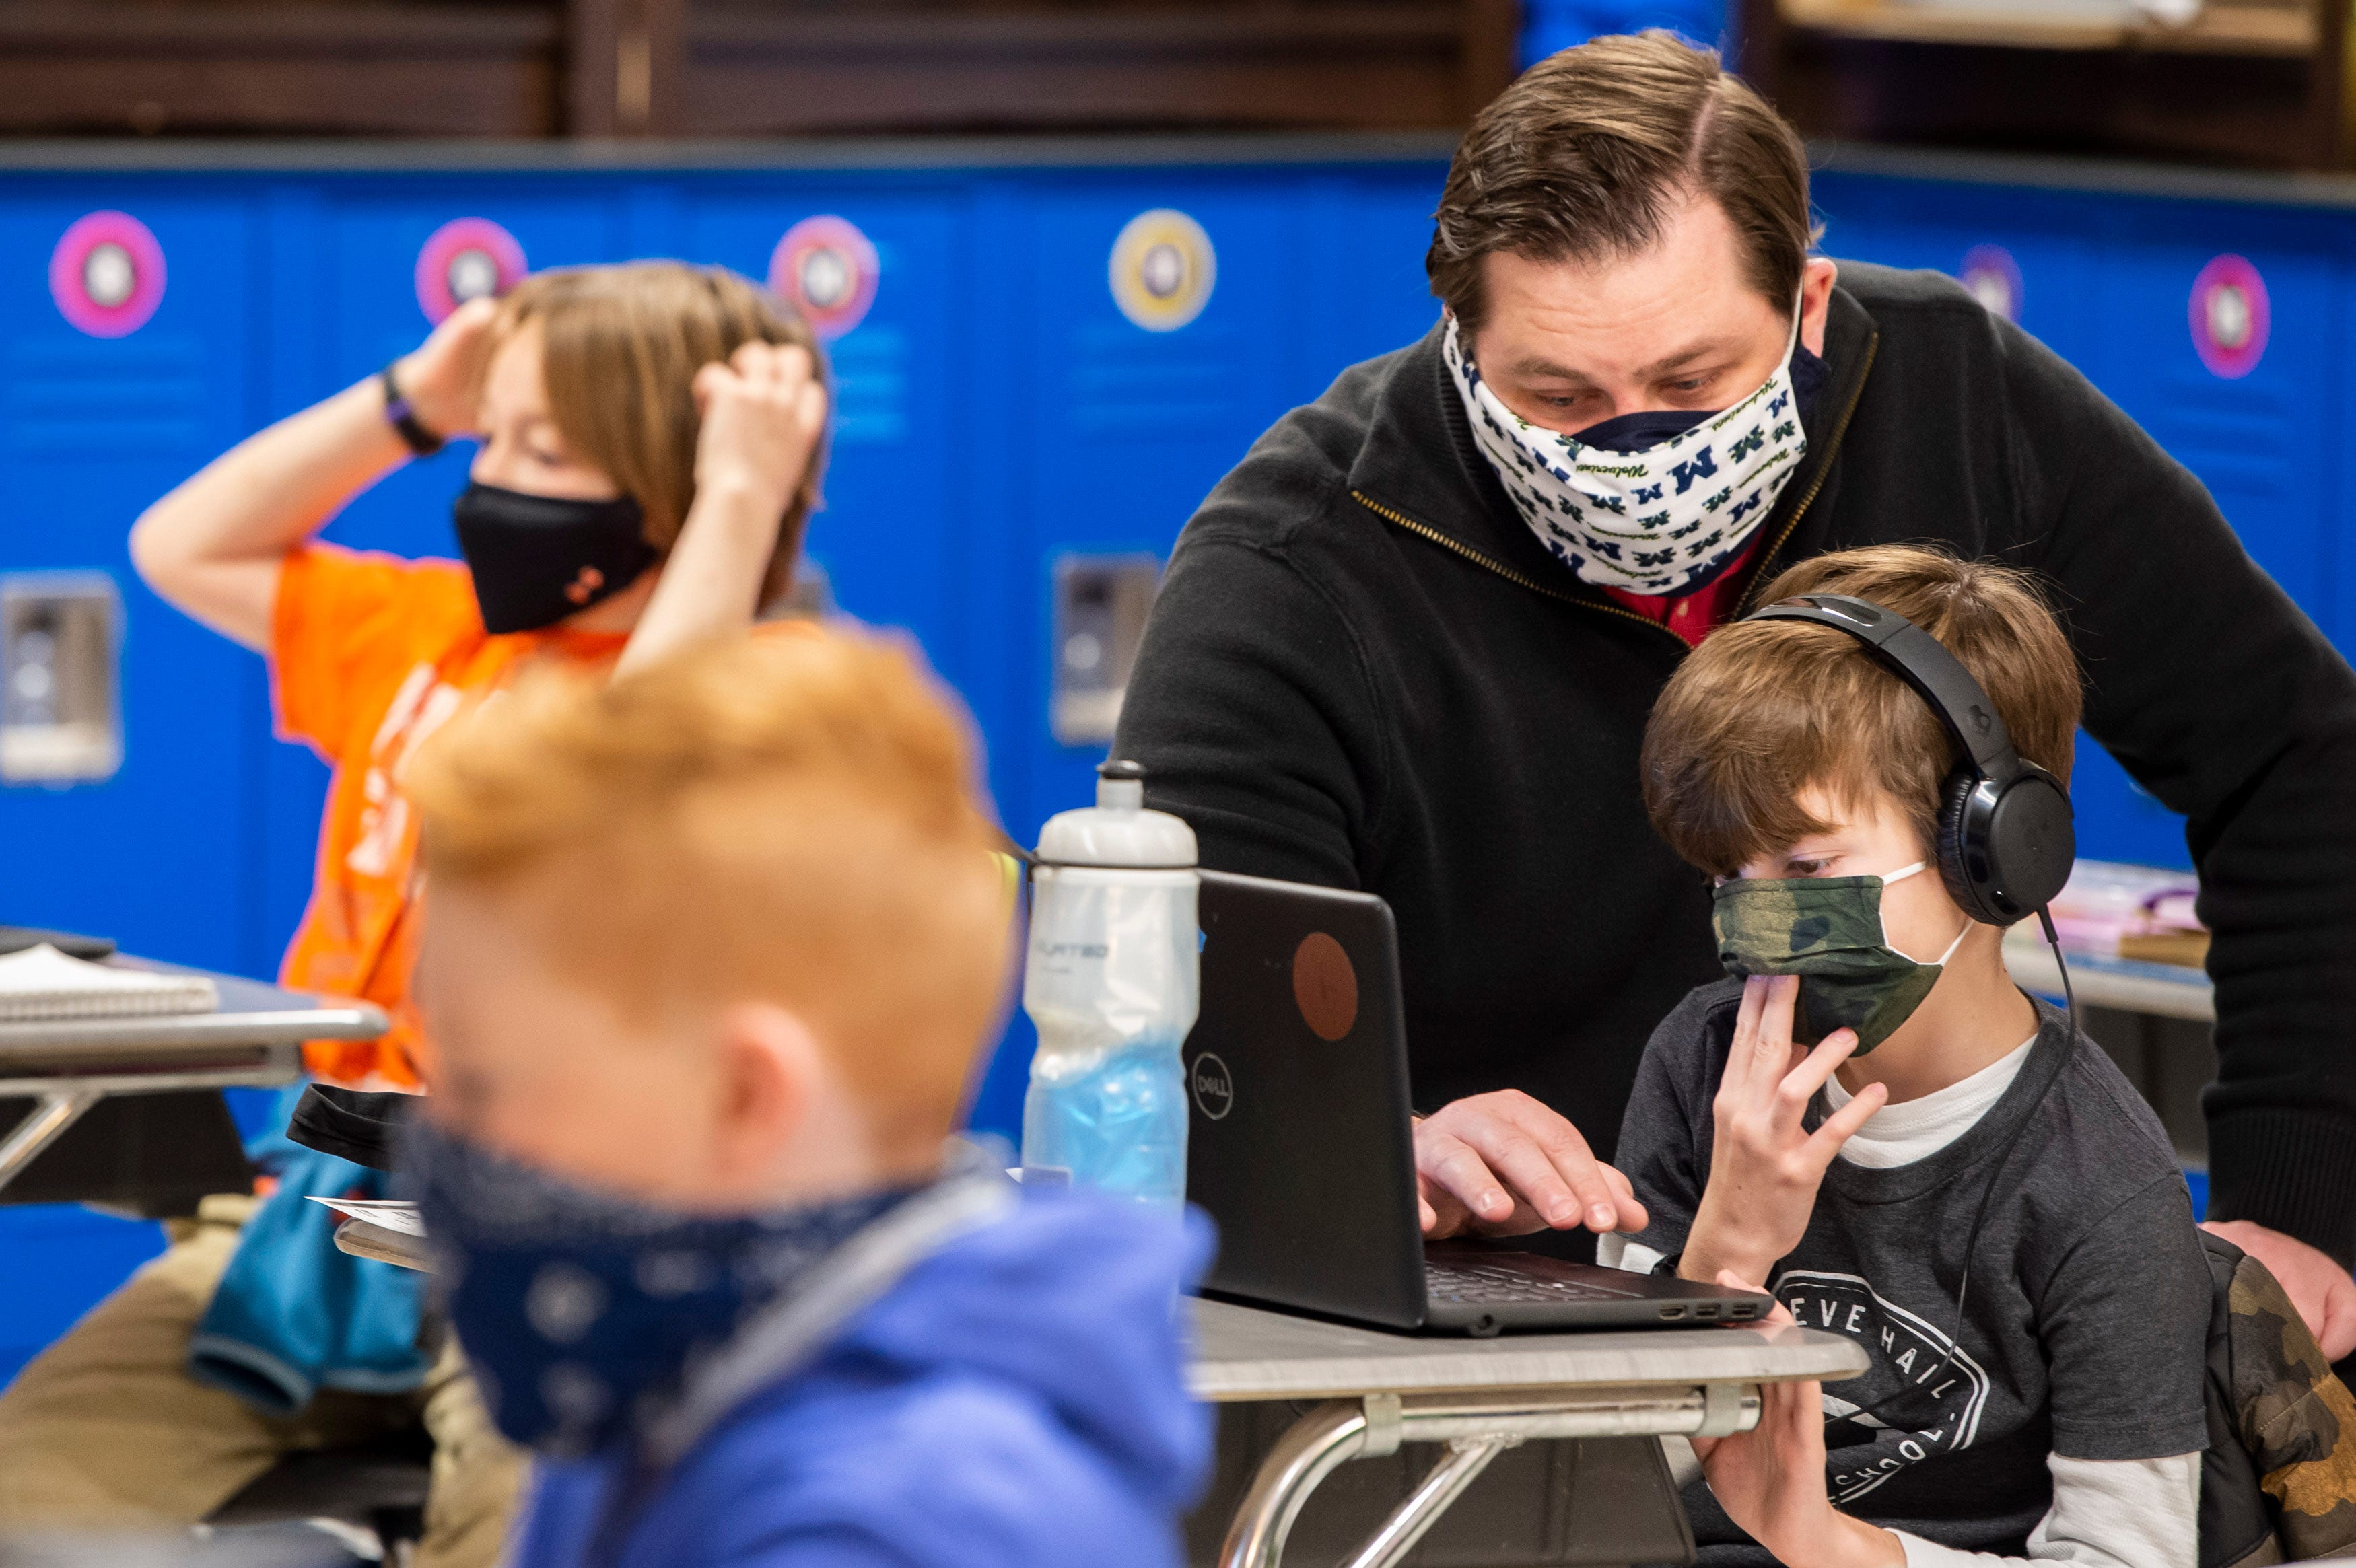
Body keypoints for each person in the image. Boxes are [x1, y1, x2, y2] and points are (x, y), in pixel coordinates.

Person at [1113, 30, 2356, 1356]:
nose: (1631, 443)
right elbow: (1185, 1045)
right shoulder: (1293, 574)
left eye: (1689, 383)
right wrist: (1384, 1156)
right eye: (1559, 395)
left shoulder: (1950, 399)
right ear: (1460, 344)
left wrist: (2301, 1199)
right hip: (1537, 1340)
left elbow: (2298, 757)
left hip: (1961, 1300)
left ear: (1808, 306)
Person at [0, 261, 829, 1567]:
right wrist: (411, 401)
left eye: (539, 446)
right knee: (29, 1494)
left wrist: (740, 497)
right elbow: (181, 544)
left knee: (540, 1540)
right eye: (488, 432)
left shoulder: (766, 695)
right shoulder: (431, 636)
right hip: (308, 1217)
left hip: (566, 1245)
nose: (485, 474)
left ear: (669, 485)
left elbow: (604, 804)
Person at [397, 628, 1208, 1568]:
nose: (438, 1132)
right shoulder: (663, 1378)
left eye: (480, 1083)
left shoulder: (914, 1527)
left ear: (743, 1098)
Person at [1609, 544, 2211, 1565]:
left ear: (1993, 854)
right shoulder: (1698, 1062)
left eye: (1806, 864)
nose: (1756, 915)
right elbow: (1594, 1483)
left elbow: (2126, 1558)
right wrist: (1725, 1255)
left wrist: (1826, 1542)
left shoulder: (2101, 1185)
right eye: (1731, 872)